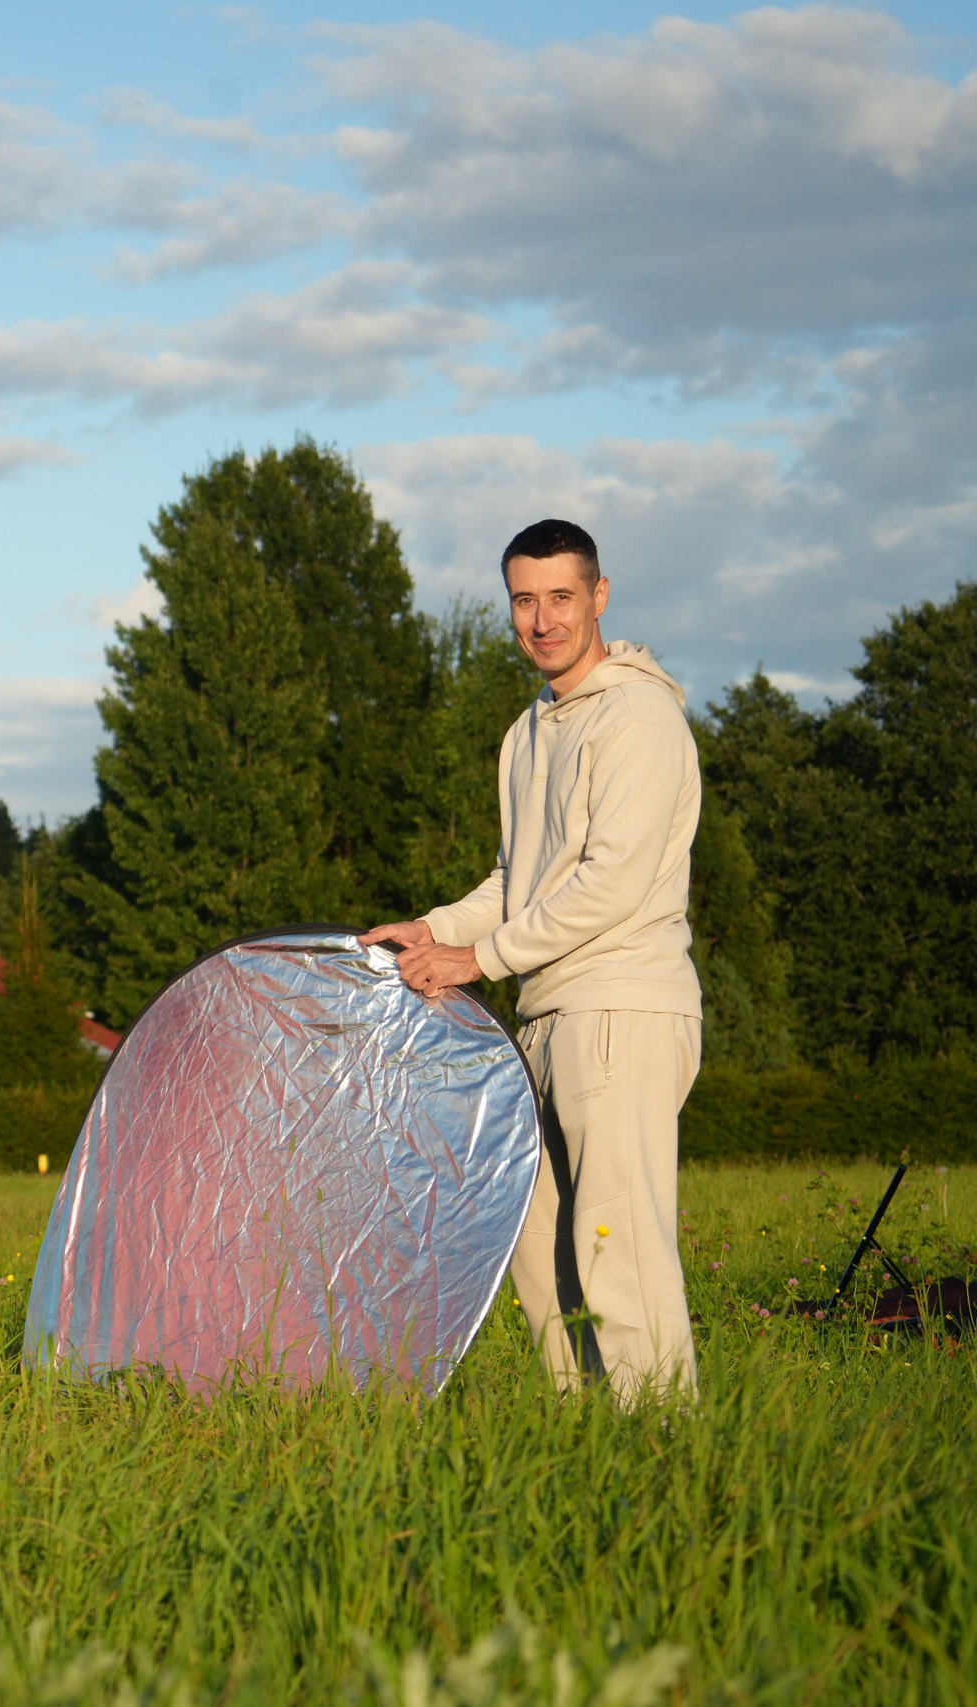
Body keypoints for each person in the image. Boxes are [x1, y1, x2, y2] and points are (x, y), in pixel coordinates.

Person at [362, 519, 703, 1404]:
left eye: (561, 595)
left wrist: (481, 958)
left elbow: (609, 883)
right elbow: (522, 878)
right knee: (540, 1250)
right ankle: (591, 1443)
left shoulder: (639, 715)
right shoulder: (529, 731)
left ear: (598, 595)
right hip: (547, 1016)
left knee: (616, 1250)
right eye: (524, 598)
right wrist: (432, 930)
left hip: (620, 1007)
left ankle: (665, 1453)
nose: (542, 618)